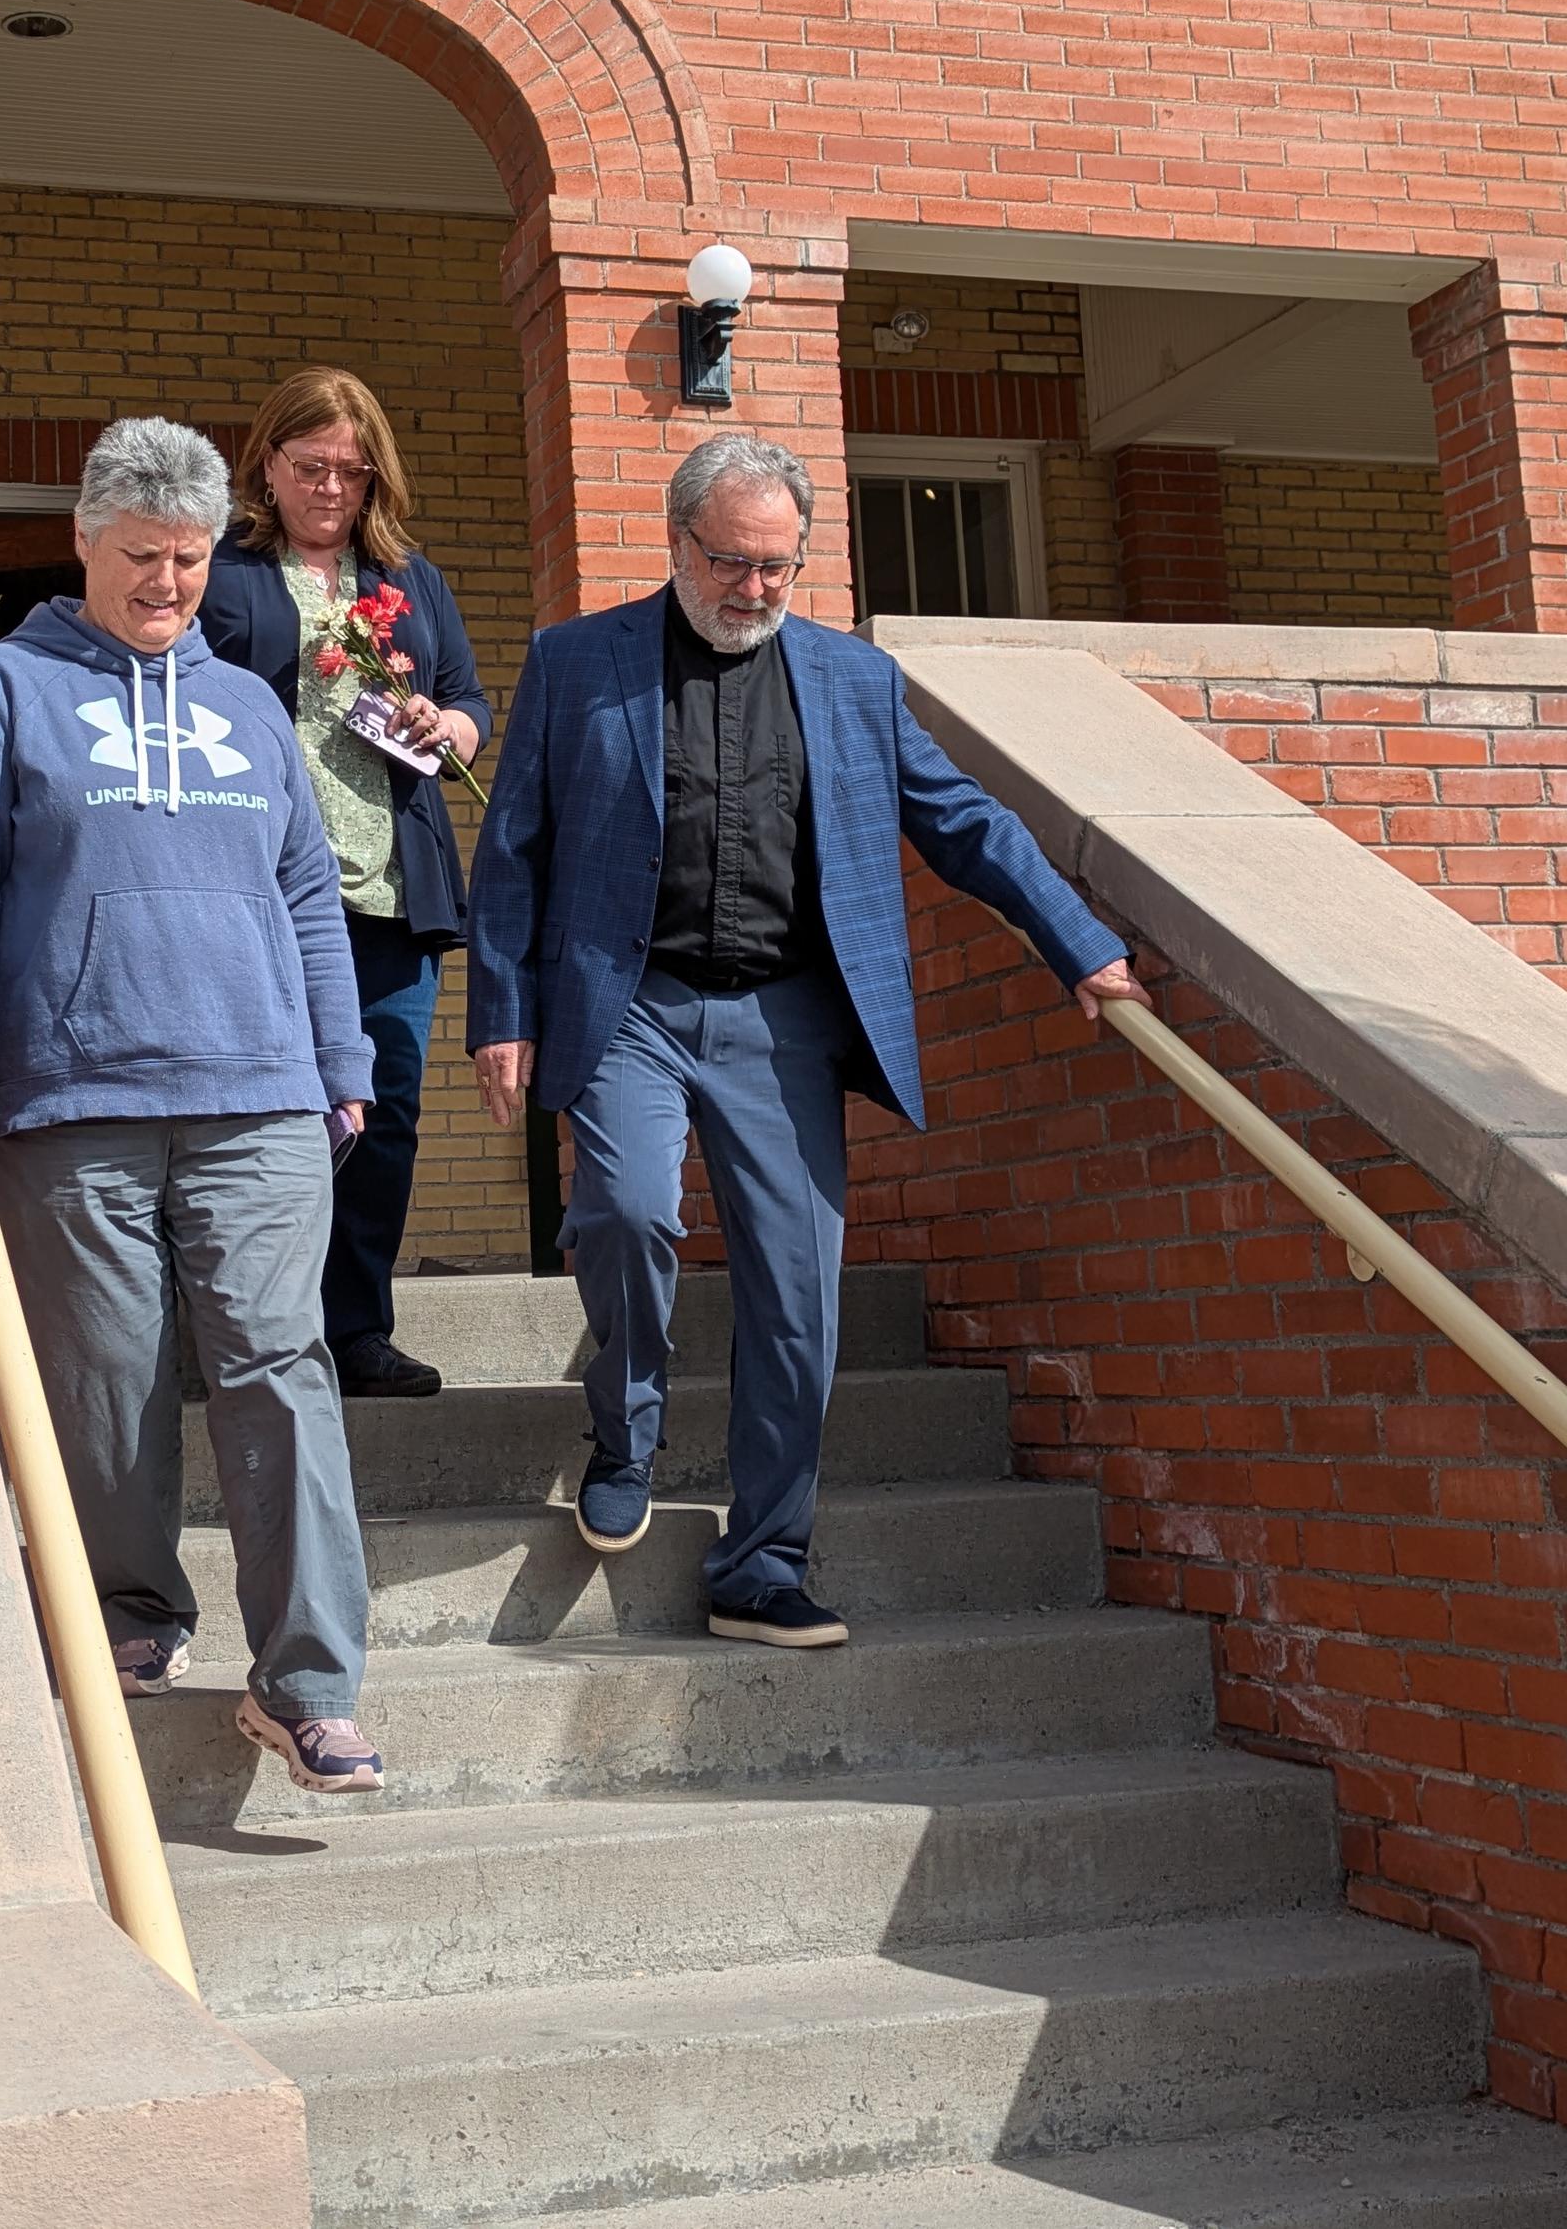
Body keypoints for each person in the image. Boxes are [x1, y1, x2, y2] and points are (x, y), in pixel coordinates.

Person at [466, 432, 1144, 1651]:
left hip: (784, 1017)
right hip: (632, 1002)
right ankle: (624, 1425)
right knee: (623, 1210)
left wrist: (1077, 942)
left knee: (797, 1299)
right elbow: (513, 848)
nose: (758, 591)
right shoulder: (579, 663)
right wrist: (504, 1013)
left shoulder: (852, 681)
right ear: (678, 544)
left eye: (782, 566)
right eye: (733, 562)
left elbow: (963, 821)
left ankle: (763, 1562)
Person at [0, 416, 391, 1795]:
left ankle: (309, 1685)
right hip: (74, 1095)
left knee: (282, 1373)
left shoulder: (243, 708)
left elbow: (306, 892)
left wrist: (340, 1063)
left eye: (185, 558)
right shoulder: (4, 685)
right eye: (140, 558)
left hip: (262, 1096)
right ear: (83, 540)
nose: (167, 584)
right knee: (106, 1378)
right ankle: (130, 1611)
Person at [201, 368, 494, 1399]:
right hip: (259, 892)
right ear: (268, 464)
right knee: (263, 1111)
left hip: (390, 890)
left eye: (352, 471)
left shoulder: (412, 580)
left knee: (388, 1113)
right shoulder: (225, 573)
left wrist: (445, 726)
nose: (332, 488)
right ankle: (239, 1330)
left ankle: (356, 1330)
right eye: (311, 467)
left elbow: (466, 700)